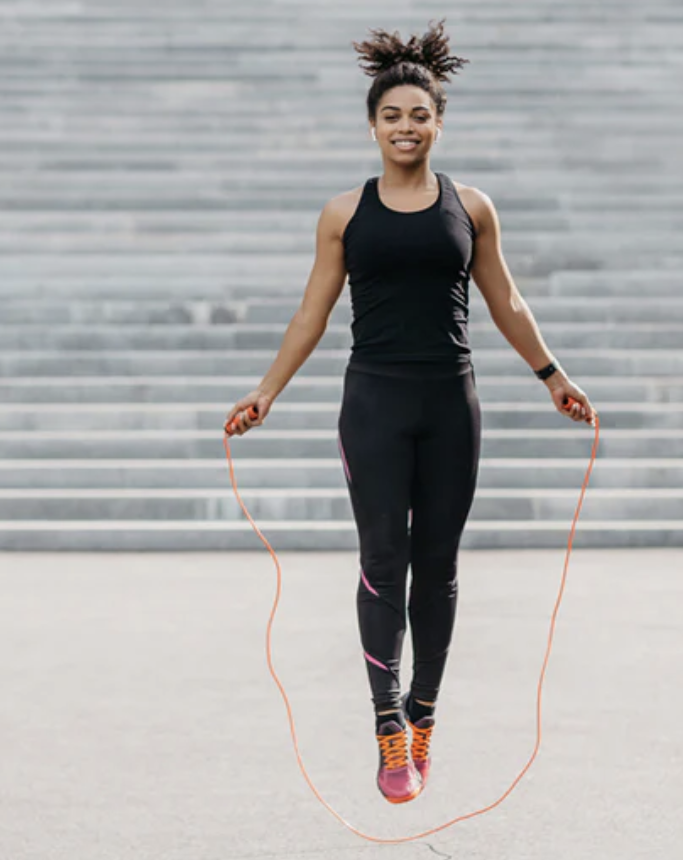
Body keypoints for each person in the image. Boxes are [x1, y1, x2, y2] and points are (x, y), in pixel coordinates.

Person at [222, 19, 595, 805]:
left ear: (439, 122)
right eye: (391, 116)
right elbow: (310, 315)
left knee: (441, 564)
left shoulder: (473, 207)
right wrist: (266, 391)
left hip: (450, 401)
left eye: (419, 115)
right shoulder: (342, 214)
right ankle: (387, 725)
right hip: (374, 402)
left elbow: (507, 301)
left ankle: (425, 712)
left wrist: (552, 375)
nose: (405, 127)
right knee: (382, 558)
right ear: (372, 126)